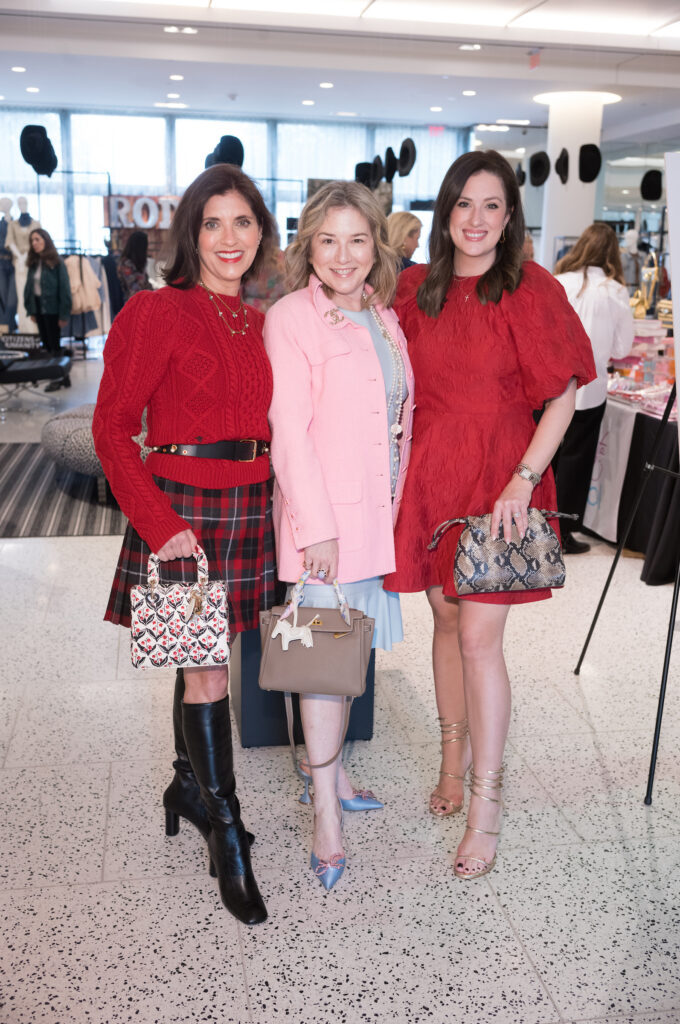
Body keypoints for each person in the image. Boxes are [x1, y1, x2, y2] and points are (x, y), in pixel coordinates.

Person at [384, 150, 595, 880]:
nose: (476, 220)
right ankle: (452, 755)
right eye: (463, 205)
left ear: (511, 216)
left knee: (479, 637)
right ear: (445, 213)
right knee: (445, 620)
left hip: (505, 473)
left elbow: (564, 394)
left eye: (492, 206)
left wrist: (524, 478)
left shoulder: (531, 288)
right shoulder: (416, 287)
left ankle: (486, 807)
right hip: (431, 471)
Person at [93, 164, 278, 926]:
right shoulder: (155, 313)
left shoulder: (268, 318)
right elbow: (110, 429)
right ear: (190, 234)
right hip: (182, 516)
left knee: (205, 651)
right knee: (208, 675)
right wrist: (157, 522)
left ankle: (187, 786)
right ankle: (226, 831)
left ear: (262, 232)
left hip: (253, 508)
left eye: (243, 223)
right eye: (213, 224)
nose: (229, 239)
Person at [264, 181, 414, 890]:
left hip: (373, 520)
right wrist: (315, 529)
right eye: (328, 240)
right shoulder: (292, 317)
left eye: (357, 239)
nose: (344, 255)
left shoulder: (383, 316)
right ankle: (326, 812)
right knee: (322, 670)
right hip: (324, 525)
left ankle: (335, 770)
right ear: (308, 248)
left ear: (376, 245)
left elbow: (394, 419)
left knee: (349, 658)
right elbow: (288, 433)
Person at [554, 223, 634, 553]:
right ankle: (563, 532)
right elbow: (621, 348)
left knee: (545, 457)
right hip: (590, 389)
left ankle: (530, 523)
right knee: (576, 462)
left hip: (551, 387)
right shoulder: (614, 291)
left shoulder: (560, 282)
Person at [24, 228, 72, 391]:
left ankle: (57, 378)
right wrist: (31, 310)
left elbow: (64, 288)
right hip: (39, 309)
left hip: (53, 309)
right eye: (32, 241)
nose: (34, 243)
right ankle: (63, 377)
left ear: (46, 240)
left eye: (37, 239)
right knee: (48, 345)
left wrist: (64, 313)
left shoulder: (56, 261)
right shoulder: (33, 263)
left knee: (55, 345)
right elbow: (29, 288)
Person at [117, 229, 153, 303]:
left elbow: (146, 283)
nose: (147, 248)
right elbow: (133, 289)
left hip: (141, 302)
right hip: (131, 304)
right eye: (146, 246)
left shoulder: (139, 263)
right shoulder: (126, 264)